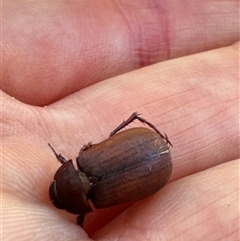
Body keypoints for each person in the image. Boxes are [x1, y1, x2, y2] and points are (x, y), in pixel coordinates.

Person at [2, 1, 239, 240]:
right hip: (150, 161)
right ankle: (135, 121)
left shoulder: (97, 193)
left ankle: (137, 125)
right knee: (103, 141)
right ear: (64, 169)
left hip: (152, 166)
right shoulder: (85, 159)